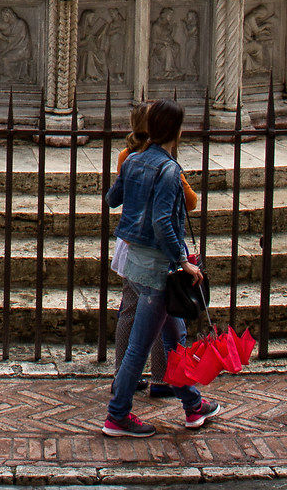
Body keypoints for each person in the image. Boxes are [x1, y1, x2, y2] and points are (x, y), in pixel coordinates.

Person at [100, 98, 216, 437]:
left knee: (175, 338)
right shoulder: (169, 171)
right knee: (140, 345)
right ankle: (117, 415)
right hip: (157, 270)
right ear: (176, 132)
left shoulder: (134, 160)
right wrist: (184, 263)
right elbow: (164, 223)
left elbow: (112, 199)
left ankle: (193, 405)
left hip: (134, 260)